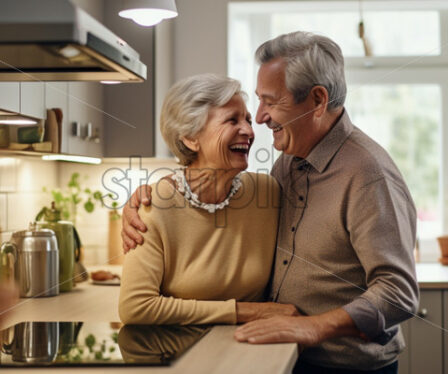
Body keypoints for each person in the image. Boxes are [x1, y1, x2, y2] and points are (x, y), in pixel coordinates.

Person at [121, 32, 419, 373]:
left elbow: (398, 293)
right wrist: (141, 200)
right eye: (252, 108)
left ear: (318, 100)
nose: (259, 120)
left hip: (344, 366)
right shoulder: (287, 166)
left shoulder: (369, 174)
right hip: (280, 356)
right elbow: (206, 190)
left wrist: (313, 326)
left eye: (270, 102)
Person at [118, 74, 298, 326]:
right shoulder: (154, 206)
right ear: (191, 138)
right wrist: (246, 312)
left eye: (247, 119)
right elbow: (135, 307)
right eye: (231, 120)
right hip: (179, 355)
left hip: (254, 348)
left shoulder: (267, 193)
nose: (248, 130)